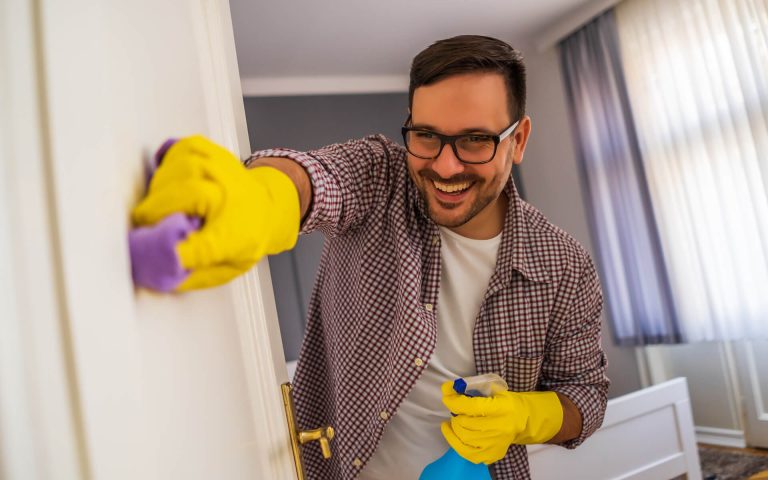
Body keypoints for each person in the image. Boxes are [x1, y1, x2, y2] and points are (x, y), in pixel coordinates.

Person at [132, 34, 609, 480]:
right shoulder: (381, 175)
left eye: (474, 140)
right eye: (426, 135)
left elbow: (585, 397)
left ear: (518, 140)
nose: (445, 166)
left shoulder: (564, 265)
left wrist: (525, 418)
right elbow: (320, 178)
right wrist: (262, 199)